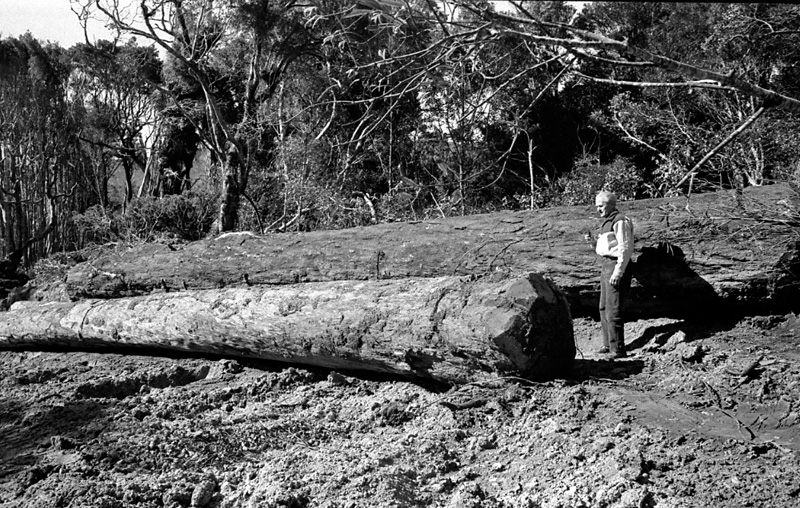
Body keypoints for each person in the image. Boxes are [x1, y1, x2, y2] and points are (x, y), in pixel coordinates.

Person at [592, 190, 634, 359]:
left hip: (615, 265)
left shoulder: (620, 221)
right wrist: (592, 243)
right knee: (603, 307)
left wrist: (618, 271)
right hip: (606, 264)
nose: (598, 210)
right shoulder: (606, 222)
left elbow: (625, 248)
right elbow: (606, 248)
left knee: (613, 308)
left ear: (610, 204)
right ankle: (608, 344)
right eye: (597, 206)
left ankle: (618, 349)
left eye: (600, 206)